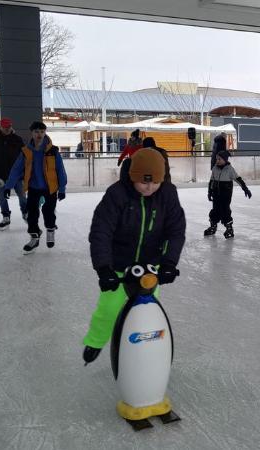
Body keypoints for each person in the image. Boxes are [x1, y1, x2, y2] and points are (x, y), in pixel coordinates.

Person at [82, 148, 186, 364]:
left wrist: (168, 262)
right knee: (109, 310)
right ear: (133, 176)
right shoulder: (117, 194)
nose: (149, 188)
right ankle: (95, 340)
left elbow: (175, 230)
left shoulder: (167, 194)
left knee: (146, 312)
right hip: (119, 265)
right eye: (144, 182)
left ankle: (142, 352)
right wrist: (104, 268)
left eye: (155, 182)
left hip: (149, 269)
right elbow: (101, 231)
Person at [4, 121, 67, 254]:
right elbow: (16, 169)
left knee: (48, 211)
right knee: (31, 213)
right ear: (31, 133)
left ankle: (50, 230)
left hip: (50, 188)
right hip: (33, 187)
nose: (39, 134)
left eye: (42, 132)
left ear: (45, 133)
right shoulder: (26, 151)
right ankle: (34, 236)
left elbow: (60, 170)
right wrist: (8, 186)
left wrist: (62, 189)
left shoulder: (53, 151)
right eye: (36, 132)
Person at [0, 117, 27, 231]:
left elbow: (25, 155)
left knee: (22, 195)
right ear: (0, 127)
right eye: (5, 127)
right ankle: (6, 216)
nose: (7, 129)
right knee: (2, 198)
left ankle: (25, 213)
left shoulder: (17, 139)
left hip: (17, 174)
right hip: (0, 175)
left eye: (9, 127)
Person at [204, 150, 252, 239]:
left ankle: (229, 229)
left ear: (225, 160)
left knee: (225, 211)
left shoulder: (230, 169)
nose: (217, 161)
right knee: (215, 210)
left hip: (225, 194)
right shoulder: (215, 168)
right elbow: (211, 181)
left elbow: (238, 179)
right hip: (216, 194)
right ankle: (213, 227)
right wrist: (209, 192)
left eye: (219, 159)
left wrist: (245, 189)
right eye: (216, 159)